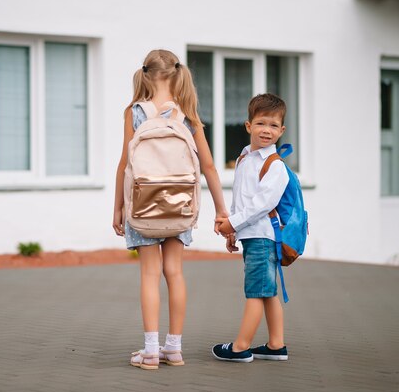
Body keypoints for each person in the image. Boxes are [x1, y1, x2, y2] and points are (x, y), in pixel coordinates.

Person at [112, 49, 228, 370]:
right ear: (178, 74)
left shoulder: (134, 112)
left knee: (150, 274)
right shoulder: (187, 115)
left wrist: (118, 209)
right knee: (174, 273)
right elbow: (208, 167)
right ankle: (173, 349)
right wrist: (221, 211)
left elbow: (124, 165)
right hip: (180, 206)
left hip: (142, 205)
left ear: (145, 75)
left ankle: (150, 351)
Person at [212, 93, 290, 362]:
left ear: (281, 130)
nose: (266, 130)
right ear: (248, 126)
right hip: (251, 234)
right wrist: (233, 230)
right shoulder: (245, 158)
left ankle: (240, 348)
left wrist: (232, 223)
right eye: (260, 123)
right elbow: (241, 199)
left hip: (264, 236)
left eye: (272, 125)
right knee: (267, 291)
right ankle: (276, 345)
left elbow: (261, 204)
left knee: (256, 292)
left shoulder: (275, 166)